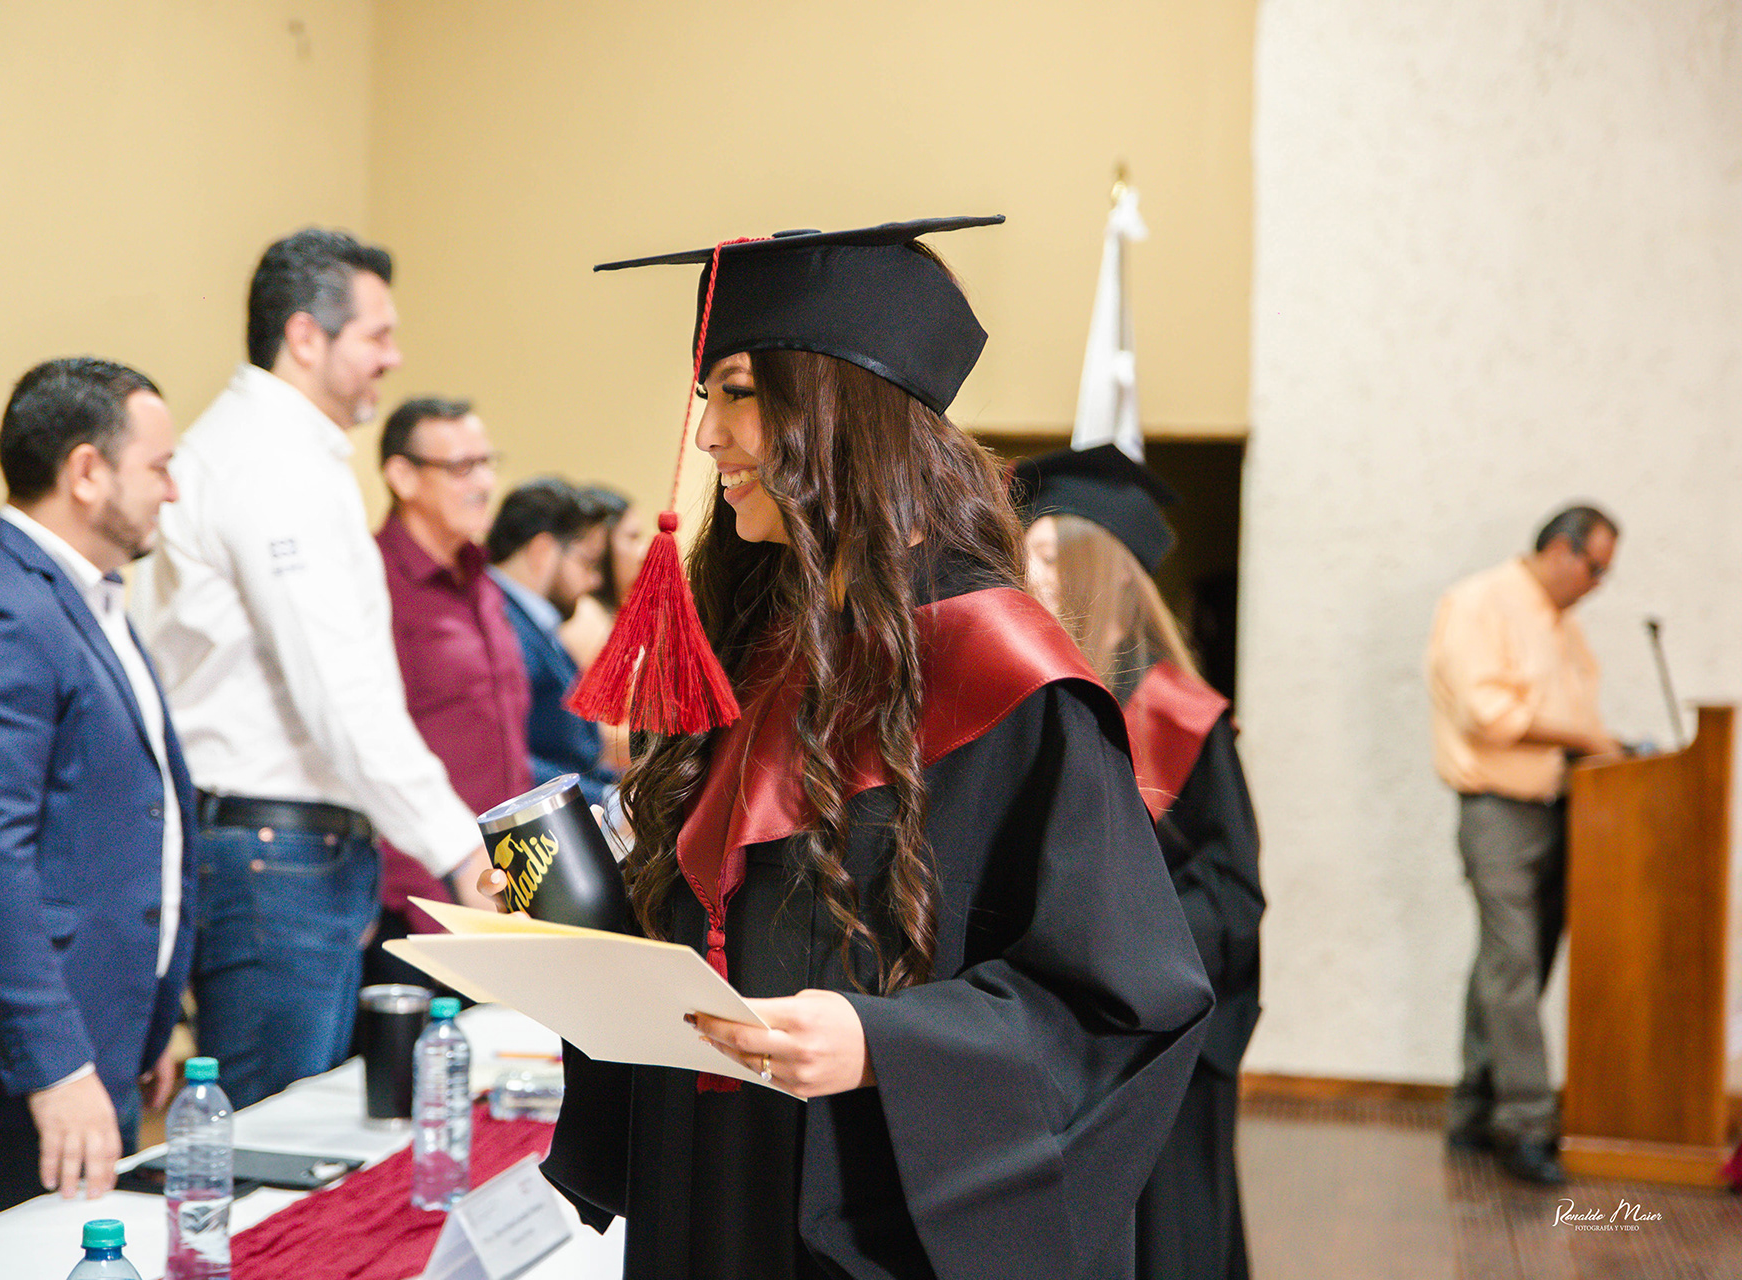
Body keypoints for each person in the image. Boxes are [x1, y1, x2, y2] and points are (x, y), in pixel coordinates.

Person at [527, 219, 1213, 1280]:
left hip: (870, 1221)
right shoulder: (747, 647)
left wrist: (884, 1044)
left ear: (838, 408)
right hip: (709, 1188)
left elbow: (1121, 1002)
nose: (706, 436)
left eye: (738, 392)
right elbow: (725, 935)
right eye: (706, 395)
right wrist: (574, 909)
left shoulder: (1004, 675)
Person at [131, 228, 492, 1108]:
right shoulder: (269, 462)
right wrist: (456, 849)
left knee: (301, 1127)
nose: (392, 357)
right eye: (376, 335)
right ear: (304, 336)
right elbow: (338, 687)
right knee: (273, 1137)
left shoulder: (286, 452)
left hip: (291, 849)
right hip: (272, 850)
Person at [0, 358, 197, 1235]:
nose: (173, 491)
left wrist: (146, 1021)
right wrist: (56, 1063)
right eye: (158, 467)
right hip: (23, 1079)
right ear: (86, 472)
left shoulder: (88, 600)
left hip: (101, 1038)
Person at [1014, 443, 1264, 1280]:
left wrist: (1125, 944)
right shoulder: (1036, 698)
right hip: (1053, 1026)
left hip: (1157, 1033)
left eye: (1052, 556)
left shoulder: (1181, 716)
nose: (1032, 574)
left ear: (1107, 569)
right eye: (1028, 554)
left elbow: (1232, 892)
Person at [1426, 504, 1624, 1186]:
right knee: (1511, 964)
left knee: (1512, 964)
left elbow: (1577, 717)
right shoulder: (1479, 603)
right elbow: (1488, 714)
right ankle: (1527, 1124)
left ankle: (1473, 1109)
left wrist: (1606, 746)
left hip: (1560, 806)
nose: (1597, 584)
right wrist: (1587, 738)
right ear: (1562, 549)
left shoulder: (1563, 626)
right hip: (1499, 811)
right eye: (1595, 568)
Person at [368, 396, 531, 981]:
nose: (484, 483)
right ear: (402, 476)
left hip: (498, 890)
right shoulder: (373, 581)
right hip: (416, 900)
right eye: (462, 468)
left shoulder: (481, 578)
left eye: (487, 463)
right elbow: (366, 740)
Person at [485, 478, 614, 804]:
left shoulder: (526, 620)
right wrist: (606, 798)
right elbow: (504, 758)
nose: (594, 580)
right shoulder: (497, 623)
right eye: (587, 561)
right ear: (542, 551)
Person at [559, 487, 648, 671]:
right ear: (599, 544)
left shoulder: (603, 614)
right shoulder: (583, 615)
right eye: (632, 537)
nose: (643, 553)